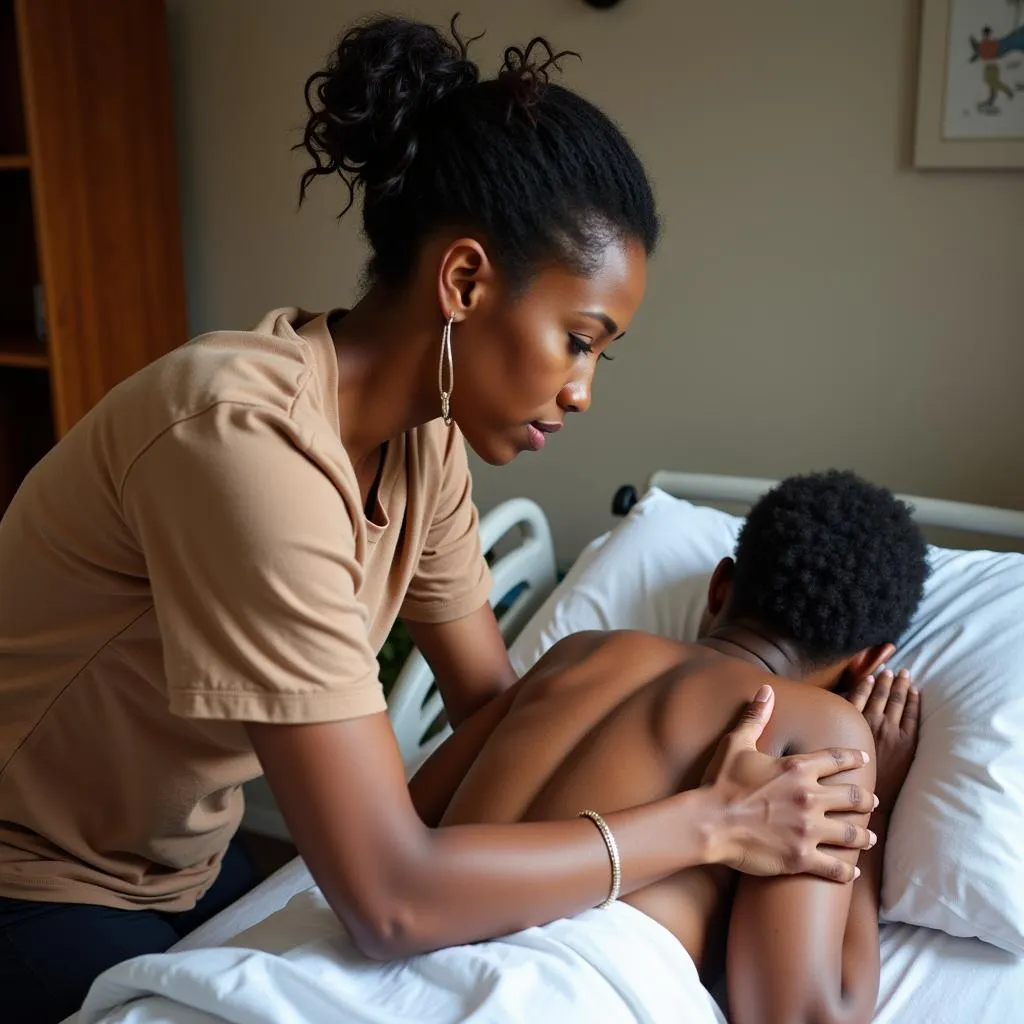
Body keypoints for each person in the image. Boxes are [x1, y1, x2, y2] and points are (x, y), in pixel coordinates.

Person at [0, 18, 876, 1023]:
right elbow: (388, 897)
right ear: (463, 281)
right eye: (578, 340)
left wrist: (687, 770)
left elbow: (501, 720)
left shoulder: (425, 448)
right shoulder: (243, 442)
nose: (583, 390)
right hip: (34, 879)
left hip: (181, 862)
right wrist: (707, 823)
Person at [79, 471, 928, 1024]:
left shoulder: (579, 653)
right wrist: (873, 811)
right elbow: (797, 1012)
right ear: (868, 661)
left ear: (719, 587)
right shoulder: (823, 733)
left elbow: (408, 820)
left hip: (314, 981)